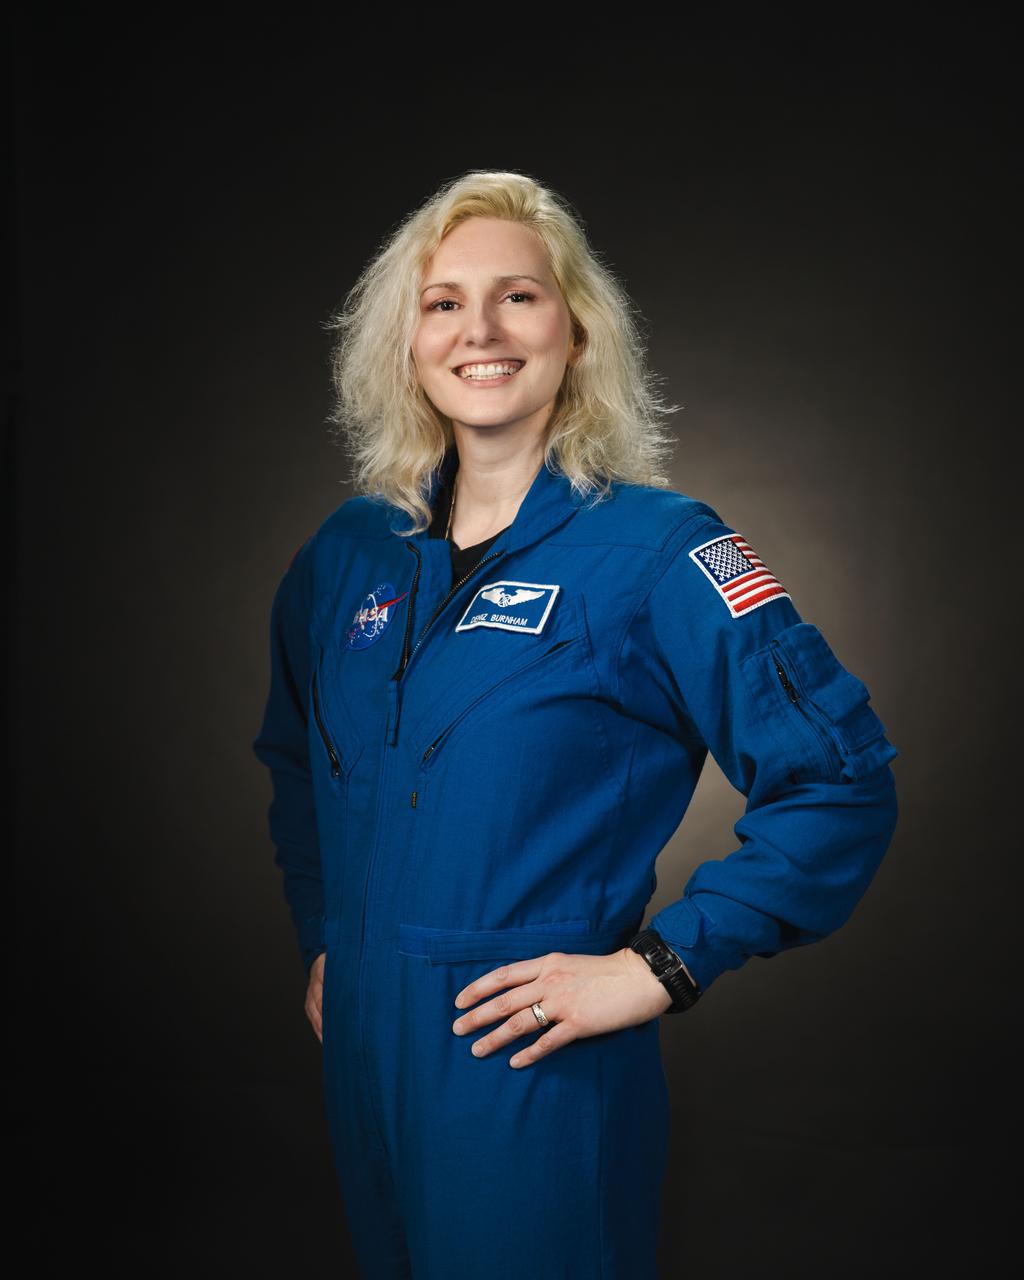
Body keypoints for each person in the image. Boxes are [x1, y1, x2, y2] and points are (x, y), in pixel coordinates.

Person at [251, 170, 899, 1280]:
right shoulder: (348, 555)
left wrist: (659, 966)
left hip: (526, 1066)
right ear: (403, 339)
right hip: (364, 1054)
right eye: (443, 301)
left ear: (578, 329)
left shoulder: (658, 551)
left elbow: (839, 777)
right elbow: (297, 760)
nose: (480, 331)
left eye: (520, 296)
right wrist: (327, 937)